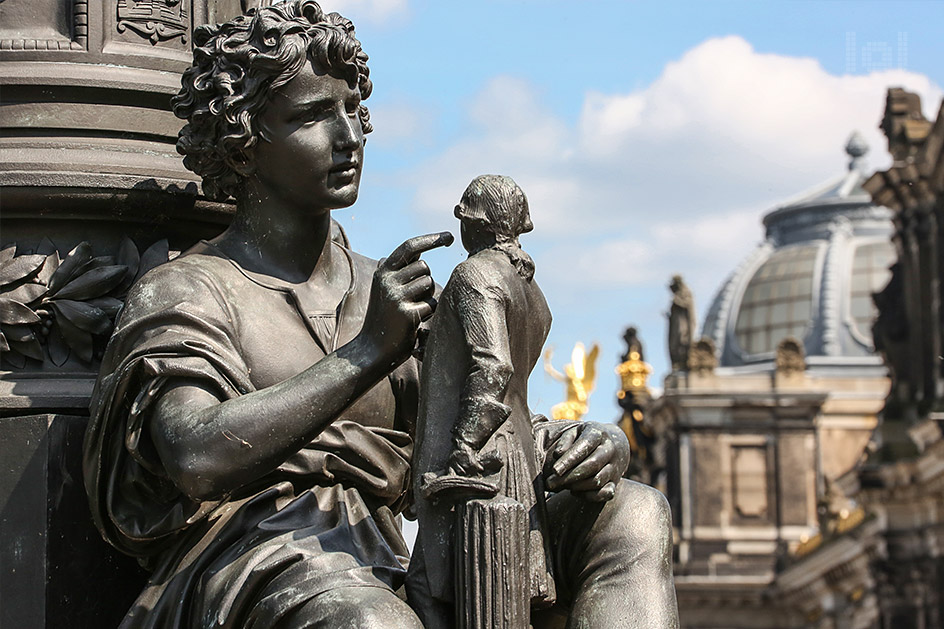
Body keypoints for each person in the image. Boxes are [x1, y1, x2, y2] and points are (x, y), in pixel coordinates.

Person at [83, 3, 450, 626]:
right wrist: (365, 355)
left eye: (352, 111)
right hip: (251, 568)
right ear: (244, 144)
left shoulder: (377, 287)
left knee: (630, 515)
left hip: (380, 558)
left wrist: (572, 445)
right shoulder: (190, 290)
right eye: (312, 116)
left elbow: (464, 428)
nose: (350, 138)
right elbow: (195, 456)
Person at [409, 175, 679, 628]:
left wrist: (463, 445)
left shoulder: (475, 275)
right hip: (514, 456)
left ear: (474, 222)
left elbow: (493, 369)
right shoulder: (532, 291)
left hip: (477, 459)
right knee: (497, 587)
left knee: (444, 586)